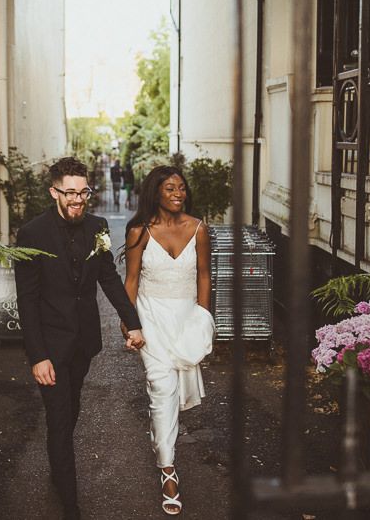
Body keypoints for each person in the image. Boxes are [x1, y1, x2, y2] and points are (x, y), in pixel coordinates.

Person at [15, 157, 145, 520]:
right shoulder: (32, 233)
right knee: (59, 417)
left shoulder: (98, 227)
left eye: (83, 191)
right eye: (69, 192)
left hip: (83, 342)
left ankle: (59, 466)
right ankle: (69, 502)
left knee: (70, 411)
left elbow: (108, 278)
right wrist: (37, 356)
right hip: (50, 345)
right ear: (53, 191)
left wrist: (131, 321)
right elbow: (26, 300)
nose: (78, 199)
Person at [123, 166, 215, 516]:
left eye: (182, 187)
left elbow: (204, 275)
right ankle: (168, 469)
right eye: (170, 188)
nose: (178, 193)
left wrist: (203, 318)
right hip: (151, 318)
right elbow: (130, 281)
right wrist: (129, 324)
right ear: (155, 193)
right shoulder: (139, 231)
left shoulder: (198, 228)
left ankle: (160, 435)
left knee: (175, 397)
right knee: (162, 388)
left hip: (187, 319)